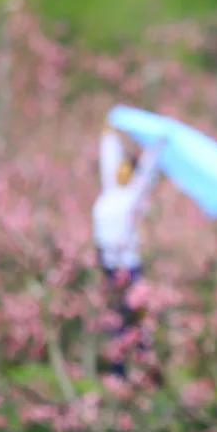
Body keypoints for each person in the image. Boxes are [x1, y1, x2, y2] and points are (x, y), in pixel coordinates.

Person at [93, 127, 164, 377]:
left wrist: (157, 145)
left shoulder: (132, 195)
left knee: (136, 318)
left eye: (126, 169)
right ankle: (118, 371)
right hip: (108, 264)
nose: (121, 172)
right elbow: (108, 159)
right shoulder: (109, 192)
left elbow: (147, 172)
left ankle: (145, 365)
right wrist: (108, 134)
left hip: (128, 265)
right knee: (116, 319)